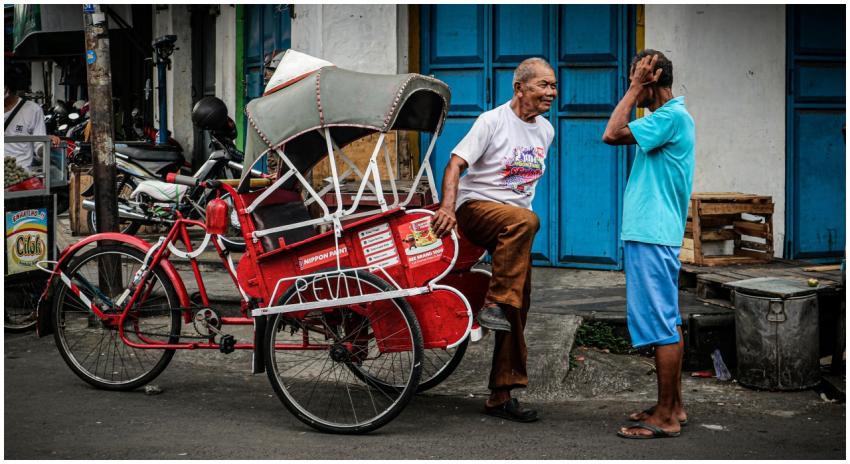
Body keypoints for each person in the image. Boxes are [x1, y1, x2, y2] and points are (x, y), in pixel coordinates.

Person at [431, 57, 556, 422]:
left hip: (513, 227)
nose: (551, 92)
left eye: (553, 86)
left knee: (517, 307)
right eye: (543, 85)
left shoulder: (546, 130)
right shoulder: (492, 121)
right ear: (519, 88)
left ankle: (501, 394)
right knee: (526, 221)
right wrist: (448, 208)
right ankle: (495, 302)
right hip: (477, 210)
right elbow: (455, 163)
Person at [602, 50, 695, 439]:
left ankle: (667, 419)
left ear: (651, 79)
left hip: (652, 233)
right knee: (668, 319)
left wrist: (633, 89)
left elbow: (611, 133)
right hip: (656, 233)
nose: (632, 86)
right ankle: (671, 405)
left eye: (636, 78)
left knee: (660, 324)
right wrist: (637, 86)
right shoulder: (668, 119)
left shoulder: (669, 116)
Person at [4, 65, 57, 172]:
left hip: (19, 173)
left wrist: (48, 144)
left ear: (8, 89)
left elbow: (39, 145)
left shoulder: (33, 110)